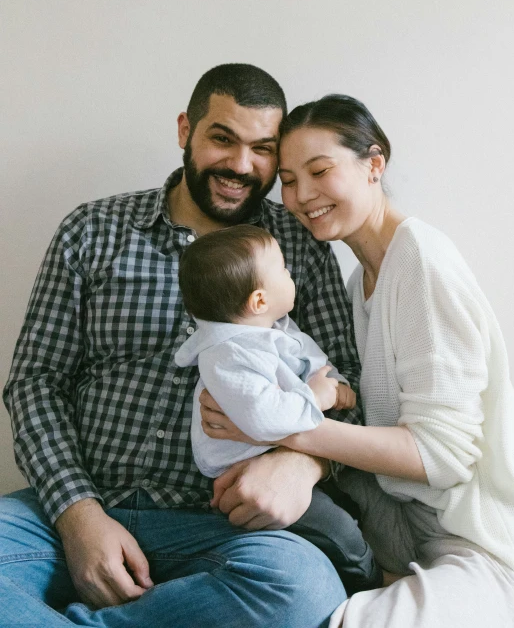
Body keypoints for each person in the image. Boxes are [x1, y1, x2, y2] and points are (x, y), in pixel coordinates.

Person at [1, 66, 363, 628]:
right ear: (184, 130)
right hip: (83, 503)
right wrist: (78, 515)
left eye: (262, 149)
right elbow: (35, 381)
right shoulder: (92, 231)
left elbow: (349, 385)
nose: (241, 165)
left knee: (304, 590)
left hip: (219, 525)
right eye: (223, 138)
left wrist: (303, 464)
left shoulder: (297, 247)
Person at [200, 93, 514, 628]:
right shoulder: (359, 281)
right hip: (409, 548)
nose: (301, 196)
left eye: (320, 171)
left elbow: (442, 456)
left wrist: (281, 426)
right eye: (289, 180)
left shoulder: (420, 261)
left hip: (492, 550)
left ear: (374, 164)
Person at [175, 224, 382, 594]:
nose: (290, 275)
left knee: (348, 508)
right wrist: (319, 398)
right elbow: (265, 416)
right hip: (245, 471)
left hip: (280, 457)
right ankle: (370, 580)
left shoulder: (271, 328)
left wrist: (335, 382)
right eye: (284, 270)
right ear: (258, 300)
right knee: (338, 532)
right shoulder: (229, 355)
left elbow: (307, 358)